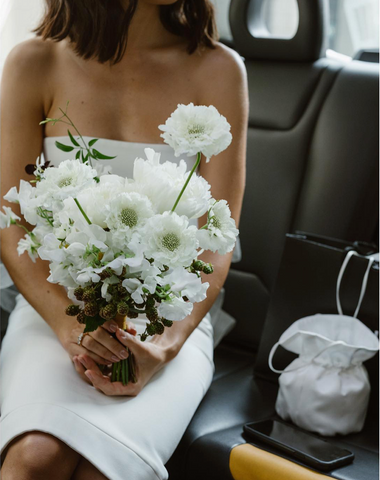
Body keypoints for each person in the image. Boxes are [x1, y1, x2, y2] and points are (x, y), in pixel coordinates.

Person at [0, 0, 248, 478]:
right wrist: (72, 329)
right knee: (35, 458)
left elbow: (217, 239)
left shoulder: (220, 70)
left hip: (172, 318)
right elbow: (11, 225)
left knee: (101, 468)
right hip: (55, 311)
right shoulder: (34, 62)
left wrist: (162, 349)